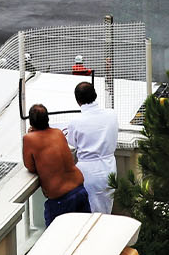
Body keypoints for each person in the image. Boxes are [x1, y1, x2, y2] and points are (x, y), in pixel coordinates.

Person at [23, 104, 88, 225]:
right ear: (47, 119)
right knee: (82, 230)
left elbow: (29, 166)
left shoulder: (29, 139)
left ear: (31, 123)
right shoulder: (58, 133)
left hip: (61, 199)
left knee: (56, 236)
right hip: (79, 190)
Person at [59, 82, 119, 214]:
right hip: (109, 167)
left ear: (78, 101)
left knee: (90, 211)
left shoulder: (76, 121)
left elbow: (72, 142)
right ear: (95, 95)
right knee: (106, 208)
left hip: (88, 172)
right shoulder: (112, 115)